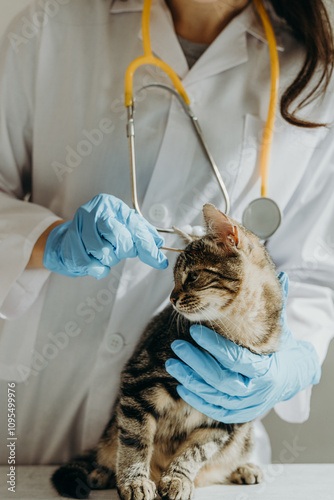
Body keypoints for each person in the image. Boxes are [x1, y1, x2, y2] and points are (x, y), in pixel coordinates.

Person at [0, 0, 333, 467]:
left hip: (198, 441)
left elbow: (314, 276)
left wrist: (284, 367)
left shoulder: (315, 78)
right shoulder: (49, 28)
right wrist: (46, 240)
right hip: (33, 415)